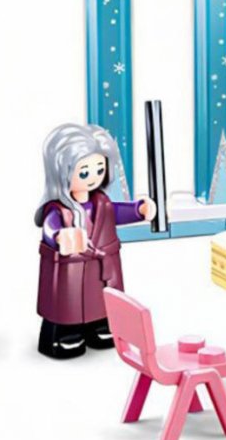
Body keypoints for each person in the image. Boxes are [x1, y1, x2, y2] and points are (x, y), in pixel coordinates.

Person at [34, 123, 156, 359]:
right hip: (71, 269)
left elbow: (116, 213)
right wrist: (59, 236)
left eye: (99, 169)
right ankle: (65, 333)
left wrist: (139, 210)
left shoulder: (102, 202)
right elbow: (50, 227)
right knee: (68, 303)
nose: (93, 178)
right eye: (84, 173)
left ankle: (100, 326)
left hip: (102, 267)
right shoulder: (59, 209)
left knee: (102, 300)